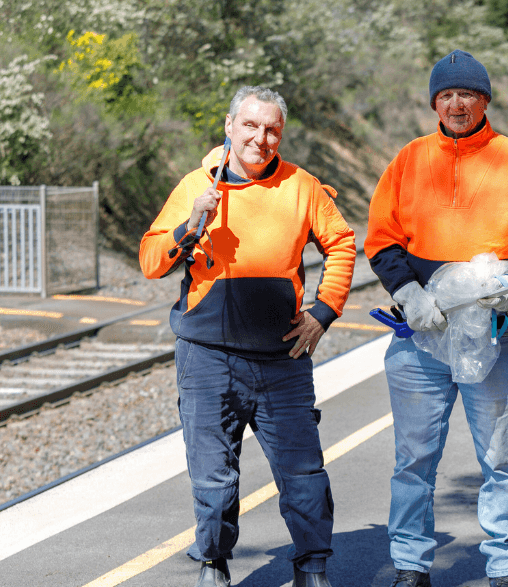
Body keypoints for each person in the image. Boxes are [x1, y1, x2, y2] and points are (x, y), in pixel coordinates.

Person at [365, 50, 508, 587]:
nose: (457, 104)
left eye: (468, 94)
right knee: (413, 459)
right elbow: (382, 240)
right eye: (447, 95)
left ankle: (506, 567)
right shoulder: (409, 160)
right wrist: (409, 293)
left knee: (501, 456)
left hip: (498, 336)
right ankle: (410, 564)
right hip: (421, 335)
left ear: (485, 100)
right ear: (435, 101)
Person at [140, 86, 356, 587]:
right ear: (230, 126)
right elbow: (151, 261)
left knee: (303, 476)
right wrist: (190, 224)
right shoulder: (196, 185)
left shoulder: (302, 186)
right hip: (207, 359)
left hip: (282, 361)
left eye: (272, 129)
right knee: (214, 481)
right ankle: (213, 561)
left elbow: (343, 244)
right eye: (252, 126)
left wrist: (323, 312)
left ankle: (313, 567)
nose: (262, 138)